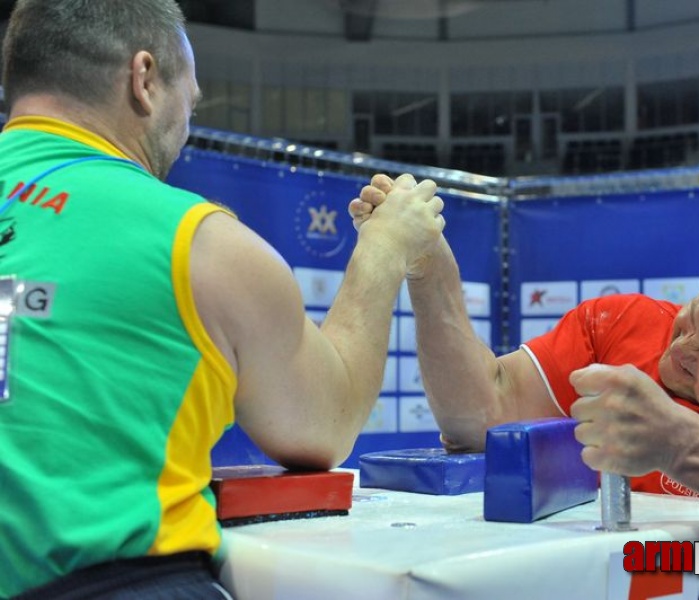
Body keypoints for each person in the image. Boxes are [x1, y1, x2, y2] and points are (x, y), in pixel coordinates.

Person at [0, 1, 444, 598]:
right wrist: (385, 249)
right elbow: (324, 425)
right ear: (145, 79)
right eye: (192, 98)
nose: (187, 122)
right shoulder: (198, 241)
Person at [350, 174, 699, 597]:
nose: (676, 350)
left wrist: (681, 444)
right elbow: (478, 417)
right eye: (690, 318)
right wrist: (430, 269)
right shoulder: (624, 323)